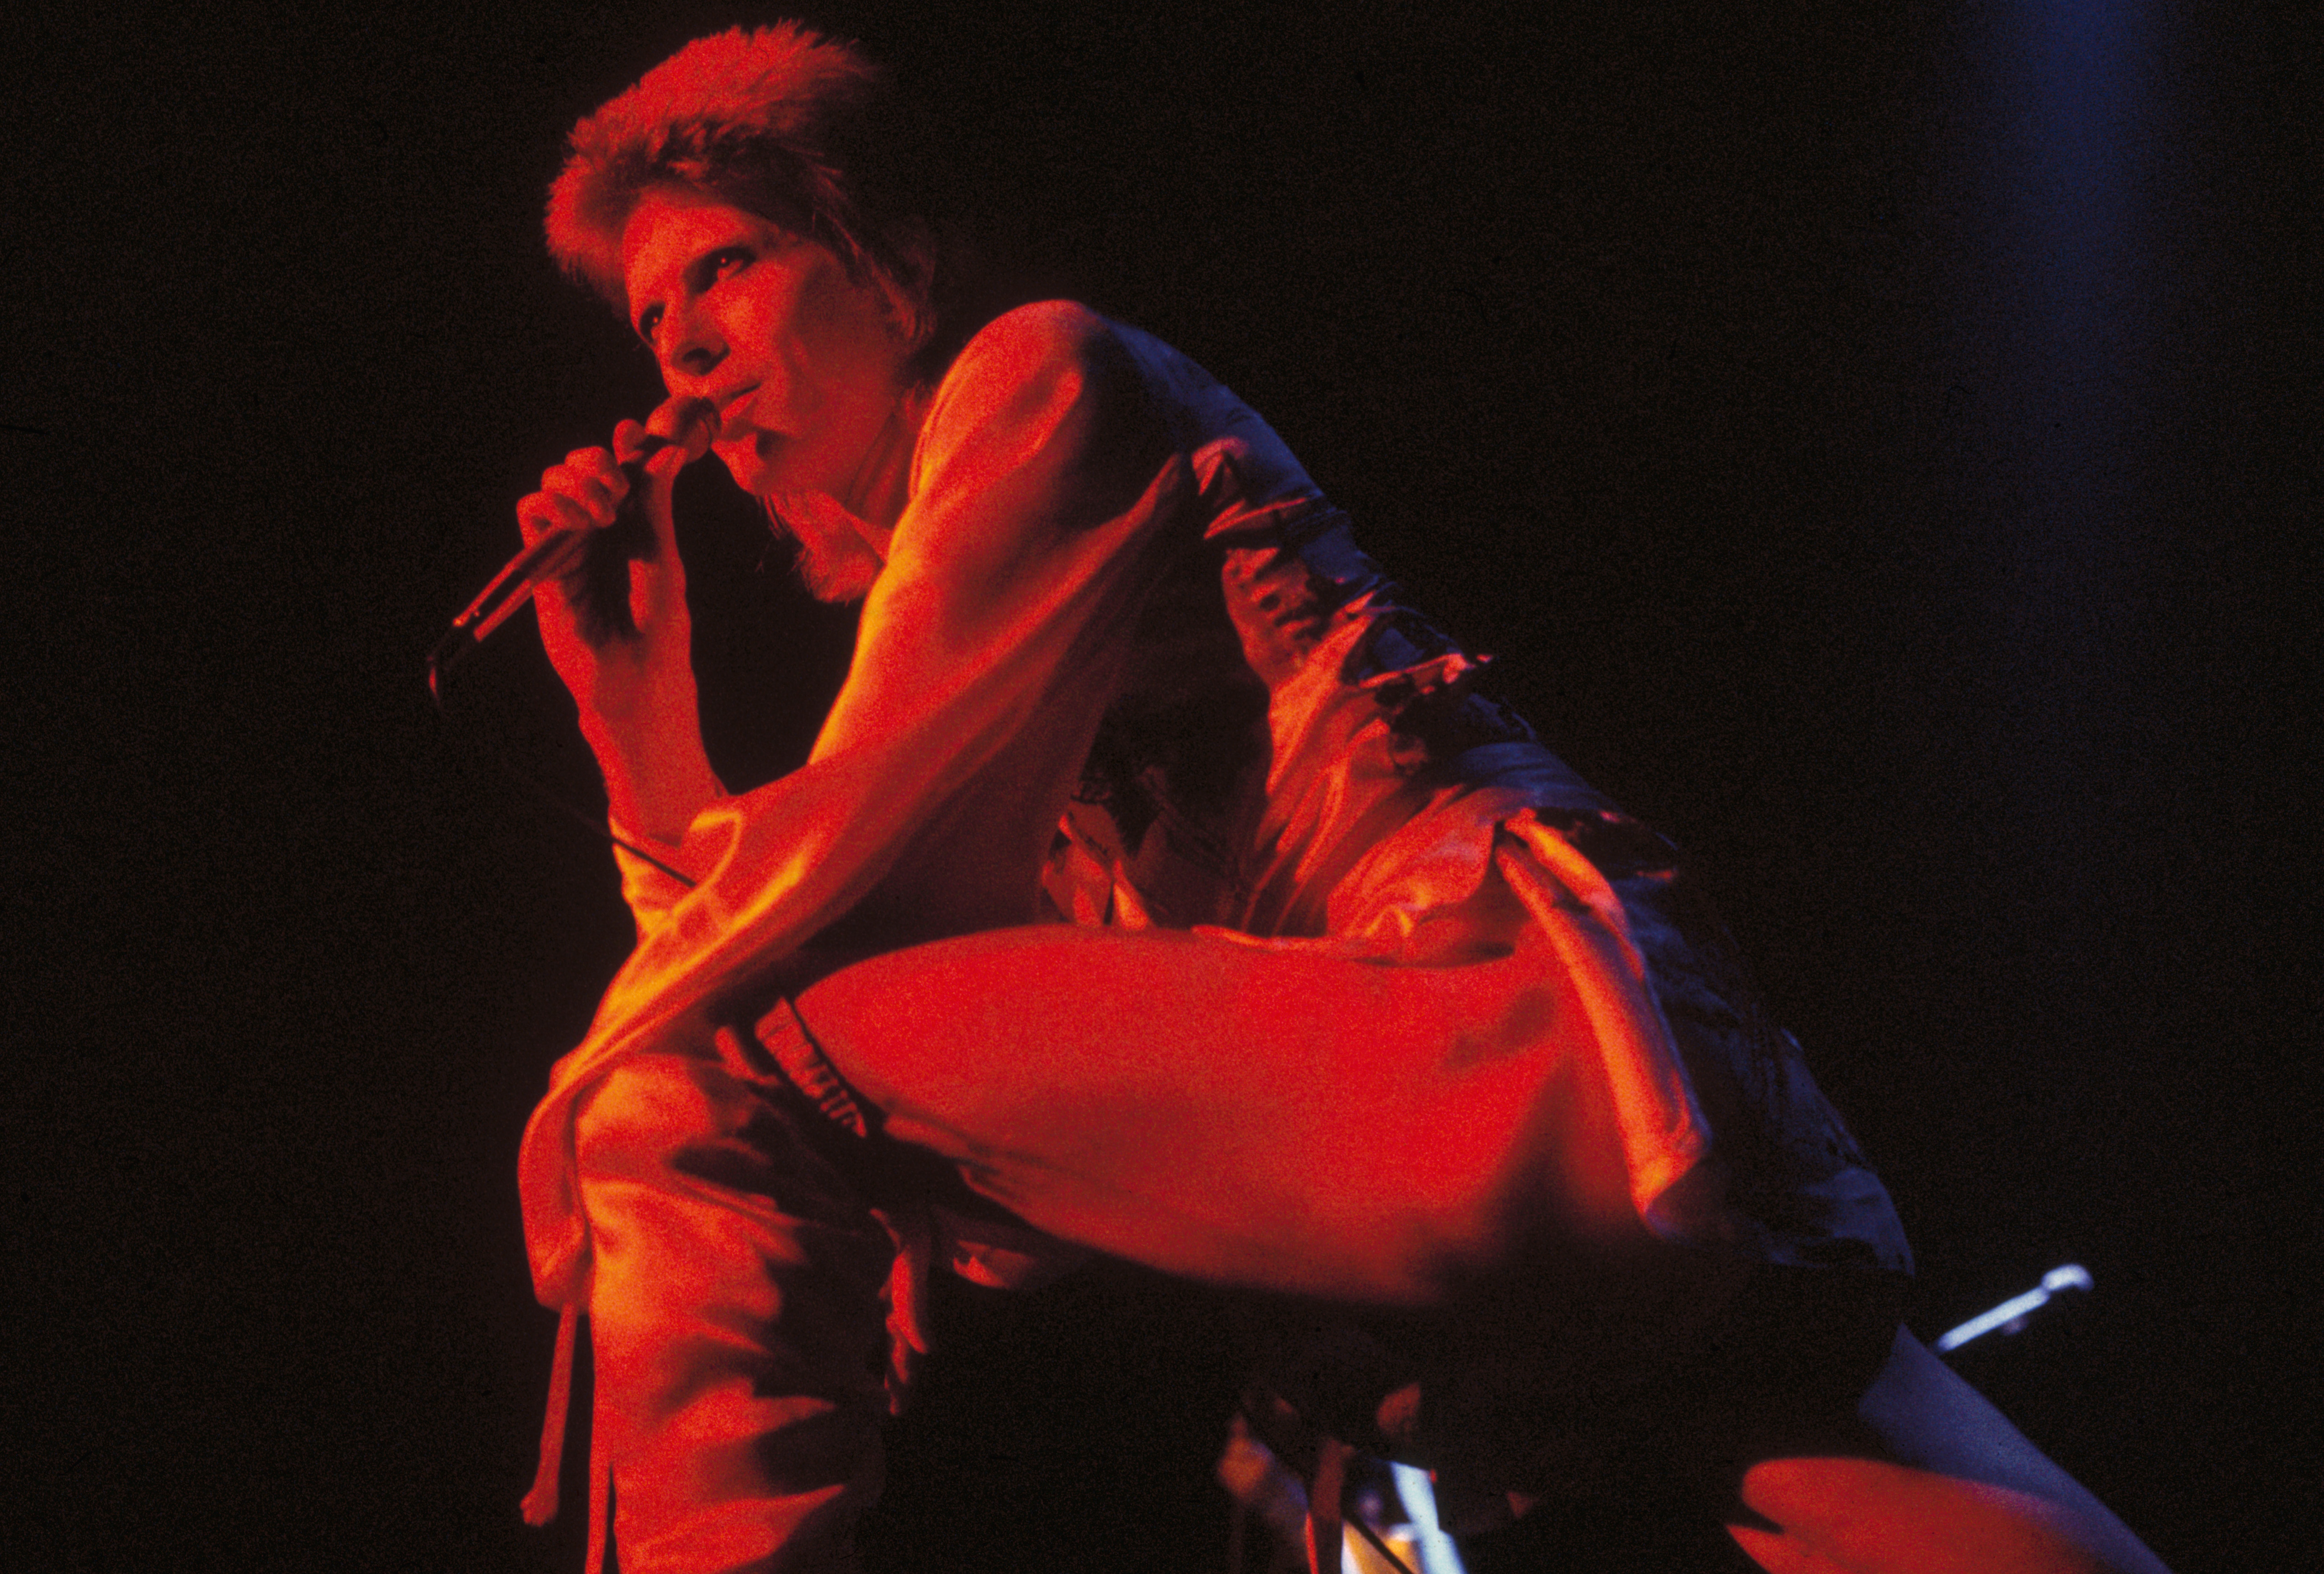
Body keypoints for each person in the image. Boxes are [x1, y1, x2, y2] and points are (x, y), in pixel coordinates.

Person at [499, 23, 2173, 1574]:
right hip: (1539, 1109)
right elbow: (957, 1150)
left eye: (725, 266)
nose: (686, 353)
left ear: (890, 256)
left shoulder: (1040, 380)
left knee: (665, 1096)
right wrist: (635, 716)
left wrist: (663, 810)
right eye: (651, 320)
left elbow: (808, 934)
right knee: (1890, 1488)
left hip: (1483, 1019)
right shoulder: (986, 675)